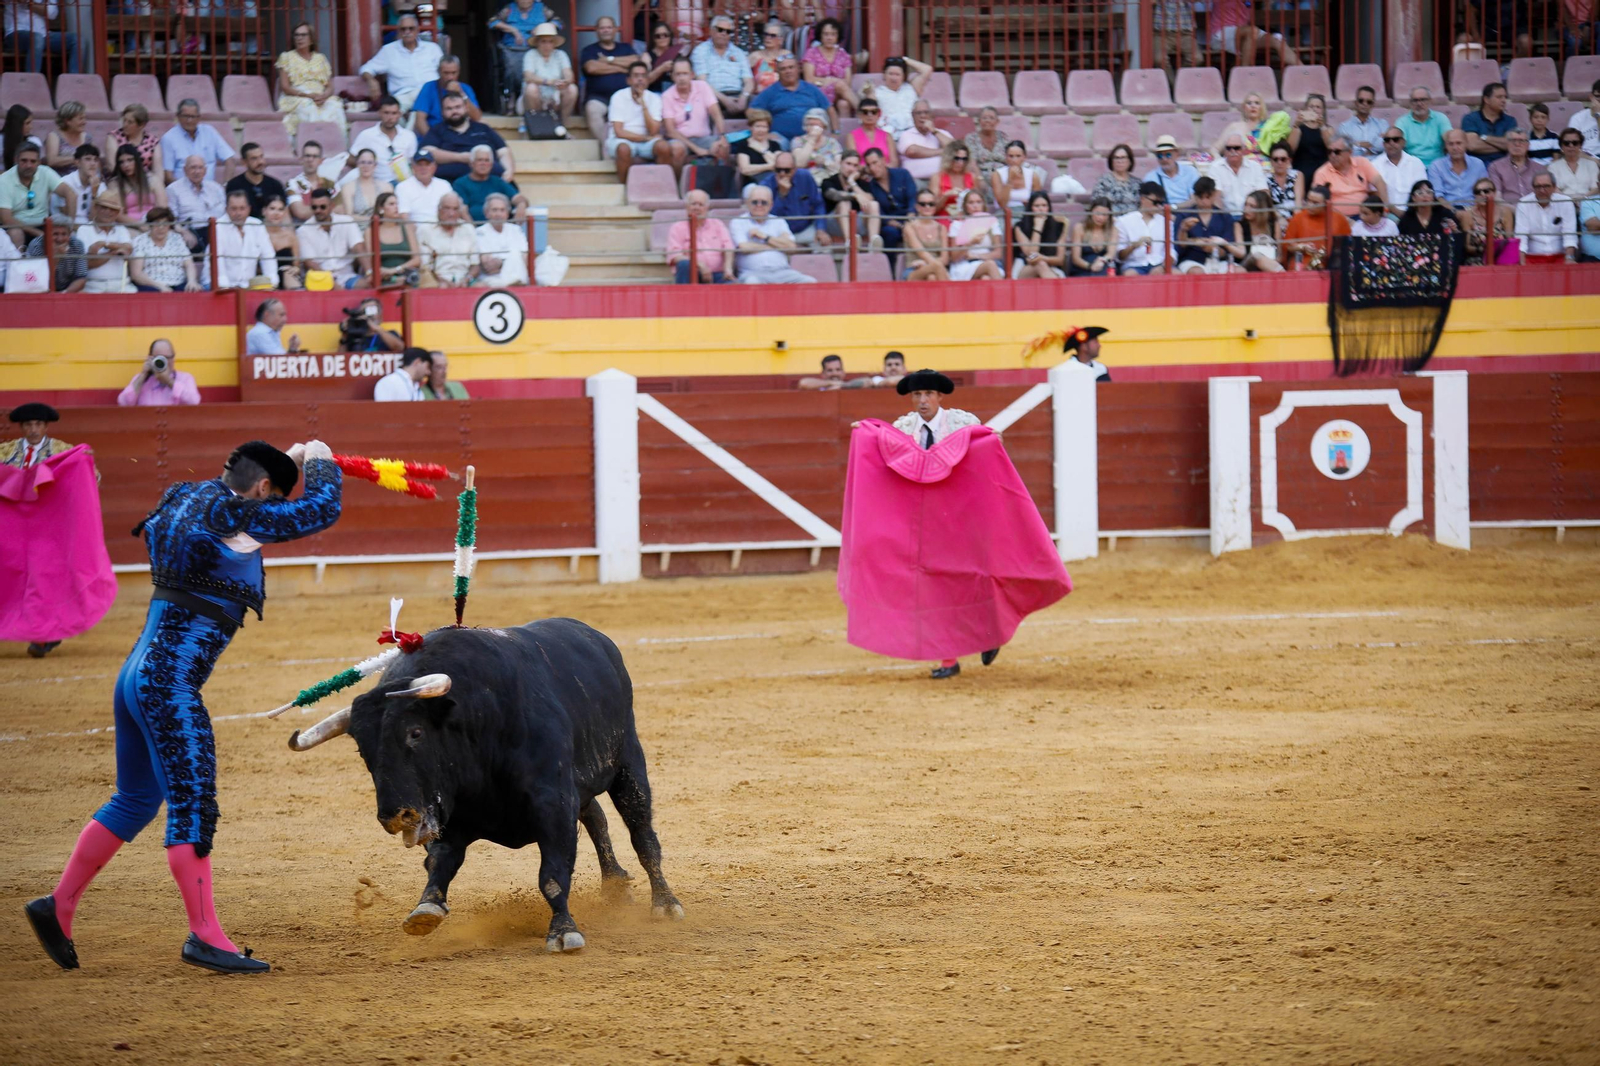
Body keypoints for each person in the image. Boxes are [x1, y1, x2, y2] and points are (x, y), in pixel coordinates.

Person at [23, 438, 341, 975]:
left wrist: (285, 463)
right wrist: (324, 462)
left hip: (134, 678)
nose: (272, 515)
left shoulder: (184, 498)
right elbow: (321, 508)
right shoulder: (235, 515)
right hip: (169, 686)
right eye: (271, 499)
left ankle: (59, 905)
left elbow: (244, 514)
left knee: (136, 799)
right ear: (262, 489)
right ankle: (204, 936)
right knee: (192, 803)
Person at [2, 402, 104, 660]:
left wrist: (86, 464)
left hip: (46, 532)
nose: (33, 429)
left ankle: (44, 635)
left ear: (46, 426)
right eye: (28, 425)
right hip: (13, 532)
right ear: (22, 427)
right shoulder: (4, 452)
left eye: (38, 424)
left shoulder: (63, 451)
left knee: (41, 581)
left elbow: (89, 480)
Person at [420, 92, 513, 184]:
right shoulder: (437, 130)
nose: (454, 111)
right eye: (449, 109)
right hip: (450, 183)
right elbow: (428, 152)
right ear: (442, 112)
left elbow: (503, 151)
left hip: (489, 181)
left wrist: (508, 171)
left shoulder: (483, 128)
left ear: (466, 108)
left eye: (458, 107)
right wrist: (461, 157)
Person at [730, 182, 814, 284]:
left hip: (783, 271)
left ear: (771, 205)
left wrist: (765, 237)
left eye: (764, 202)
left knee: (809, 282)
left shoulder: (779, 221)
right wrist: (777, 245)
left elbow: (791, 247)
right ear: (747, 203)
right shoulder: (738, 222)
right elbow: (744, 248)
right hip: (752, 273)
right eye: (755, 202)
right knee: (752, 282)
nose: (759, 205)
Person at [360, 14, 445, 113]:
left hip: (430, 93)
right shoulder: (389, 50)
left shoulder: (432, 48)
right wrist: (371, 80)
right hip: (403, 96)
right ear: (398, 31)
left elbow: (444, 70)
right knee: (393, 113)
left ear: (417, 30)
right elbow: (366, 68)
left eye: (411, 28)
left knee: (426, 108)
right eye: (403, 29)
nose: (407, 32)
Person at [605, 62, 675, 182]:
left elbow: (653, 130)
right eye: (636, 76)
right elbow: (619, 132)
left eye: (643, 76)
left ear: (648, 80)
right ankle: (625, 189)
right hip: (623, 140)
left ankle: (661, 187)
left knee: (664, 147)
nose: (640, 79)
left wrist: (643, 104)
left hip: (646, 142)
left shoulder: (654, 98)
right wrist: (645, 138)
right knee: (623, 149)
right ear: (628, 80)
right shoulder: (618, 96)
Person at [277, 22, 346, 139]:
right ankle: (313, 145)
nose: (299, 38)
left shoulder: (321, 58)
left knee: (335, 106)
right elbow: (285, 87)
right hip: (297, 96)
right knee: (309, 107)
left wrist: (324, 96)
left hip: (320, 96)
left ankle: (336, 146)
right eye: (296, 35)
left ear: (311, 39)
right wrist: (306, 95)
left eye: (303, 35)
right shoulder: (286, 57)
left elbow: (330, 86)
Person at [661, 57, 726, 168]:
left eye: (685, 74)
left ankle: (719, 184)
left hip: (703, 138)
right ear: (672, 77)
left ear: (692, 75)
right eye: (678, 74)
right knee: (677, 149)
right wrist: (696, 149)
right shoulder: (667, 96)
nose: (681, 78)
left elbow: (716, 114)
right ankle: (678, 184)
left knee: (723, 146)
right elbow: (670, 131)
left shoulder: (703, 86)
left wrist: (722, 137)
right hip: (680, 139)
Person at [581, 16, 639, 142]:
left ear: (615, 30)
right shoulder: (589, 50)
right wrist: (621, 68)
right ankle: (607, 146)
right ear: (596, 31)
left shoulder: (625, 48)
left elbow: (635, 62)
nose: (606, 30)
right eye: (602, 28)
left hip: (626, 97)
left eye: (609, 27)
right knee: (592, 109)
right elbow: (592, 68)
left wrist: (609, 60)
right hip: (599, 98)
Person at [490, 0, 556, 110]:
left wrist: (542, 28)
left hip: (535, 48)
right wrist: (512, 30)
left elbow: (558, 22)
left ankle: (534, 97)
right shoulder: (509, 9)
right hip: (512, 48)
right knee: (511, 66)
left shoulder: (541, 8)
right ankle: (512, 95)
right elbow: (492, 22)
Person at [751, 55, 831, 143]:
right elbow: (751, 111)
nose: (788, 71)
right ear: (778, 72)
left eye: (791, 67)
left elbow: (830, 109)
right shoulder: (770, 91)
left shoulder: (812, 89)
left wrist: (835, 132)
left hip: (809, 137)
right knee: (775, 145)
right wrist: (764, 132)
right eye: (783, 69)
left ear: (798, 69)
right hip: (779, 138)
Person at [1, 142, 73, 240]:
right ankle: (21, 255)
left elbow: (70, 193)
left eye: (33, 161)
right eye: (24, 161)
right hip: (17, 227)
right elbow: (6, 219)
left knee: (60, 233)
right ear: (16, 160)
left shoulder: (45, 172)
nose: (28, 165)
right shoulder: (4, 180)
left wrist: (70, 226)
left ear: (39, 162)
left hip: (43, 224)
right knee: (15, 233)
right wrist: (38, 233)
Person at [1173, 176, 1243, 274]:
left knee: (1240, 271)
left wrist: (1213, 249)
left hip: (1220, 260)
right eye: (1201, 197)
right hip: (1192, 260)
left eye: (1208, 197)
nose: (1204, 201)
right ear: (1195, 196)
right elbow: (1179, 247)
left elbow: (1228, 248)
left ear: (1214, 195)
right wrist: (1183, 230)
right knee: (1197, 272)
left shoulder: (1225, 217)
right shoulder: (1183, 216)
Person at [297, 187, 365, 288]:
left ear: (332, 206)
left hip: (347, 276)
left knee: (365, 285)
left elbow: (359, 248)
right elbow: (310, 263)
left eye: (322, 207)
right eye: (314, 207)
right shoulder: (303, 230)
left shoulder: (346, 221)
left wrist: (369, 272)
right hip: (320, 279)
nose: (318, 210)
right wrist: (332, 284)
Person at [159, 100, 236, 185]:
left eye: (193, 117)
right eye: (185, 116)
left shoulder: (209, 132)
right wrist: (183, 191)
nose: (189, 120)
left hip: (209, 191)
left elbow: (229, 160)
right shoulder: (168, 138)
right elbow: (168, 176)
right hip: (182, 193)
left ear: (199, 117)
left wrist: (226, 186)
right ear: (178, 116)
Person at [666, 188, 735, 283]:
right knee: (684, 264)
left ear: (707, 208)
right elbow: (675, 255)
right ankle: (683, 297)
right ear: (687, 206)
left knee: (733, 285)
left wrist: (728, 269)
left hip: (716, 275)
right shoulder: (677, 227)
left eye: (701, 204)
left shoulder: (717, 224)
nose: (696, 208)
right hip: (692, 273)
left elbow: (728, 247)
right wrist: (699, 264)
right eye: (693, 204)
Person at [214, 190, 279, 290]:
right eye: (234, 209)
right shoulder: (218, 226)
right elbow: (218, 260)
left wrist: (271, 283)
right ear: (226, 210)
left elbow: (267, 256)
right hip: (221, 287)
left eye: (242, 208)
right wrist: (225, 287)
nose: (238, 213)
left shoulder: (257, 225)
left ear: (249, 209)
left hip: (248, 287)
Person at [691, 15, 752, 118]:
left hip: (738, 95)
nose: (724, 34)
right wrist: (724, 100)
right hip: (713, 95)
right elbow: (702, 82)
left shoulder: (739, 53)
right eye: (720, 30)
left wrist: (743, 97)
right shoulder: (700, 51)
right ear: (711, 31)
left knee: (758, 104)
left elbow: (749, 81)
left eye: (728, 31)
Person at [348, 96, 418, 185]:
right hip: (376, 182)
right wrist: (367, 166)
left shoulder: (409, 136)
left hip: (403, 183)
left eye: (394, 113)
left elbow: (413, 163)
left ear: (399, 114)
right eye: (386, 113)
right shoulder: (367, 135)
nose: (390, 117)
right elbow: (351, 158)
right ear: (379, 113)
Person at [820, 150, 883, 249]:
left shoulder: (860, 182)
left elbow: (870, 199)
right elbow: (833, 195)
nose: (851, 168)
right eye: (848, 164)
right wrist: (855, 196)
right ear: (840, 163)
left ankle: (873, 244)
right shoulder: (829, 181)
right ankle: (849, 242)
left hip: (857, 223)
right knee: (844, 203)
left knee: (874, 205)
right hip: (834, 224)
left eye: (855, 165)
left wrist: (852, 183)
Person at [1208, 0, 1299, 68]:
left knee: (1277, 40)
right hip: (1220, 34)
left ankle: (1304, 71)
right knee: (1252, 31)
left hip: (1244, 35)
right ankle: (1245, 73)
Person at [74, 189, 133, 293]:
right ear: (96, 208)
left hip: (121, 284)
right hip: (92, 285)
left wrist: (104, 244)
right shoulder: (84, 229)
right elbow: (87, 263)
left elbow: (128, 249)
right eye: (104, 208)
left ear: (118, 213)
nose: (108, 212)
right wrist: (113, 252)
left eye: (113, 209)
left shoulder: (121, 229)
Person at [760, 150, 824, 245]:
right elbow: (768, 217)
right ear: (774, 169)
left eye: (787, 170)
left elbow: (818, 204)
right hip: (777, 234)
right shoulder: (766, 185)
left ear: (794, 169)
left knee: (822, 244)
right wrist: (782, 194)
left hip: (805, 229)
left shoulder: (805, 177)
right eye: (778, 170)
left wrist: (821, 228)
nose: (782, 174)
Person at [859, 55, 933, 138]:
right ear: (884, 75)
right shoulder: (876, 92)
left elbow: (927, 69)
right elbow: (869, 114)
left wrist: (904, 60)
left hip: (913, 132)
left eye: (897, 74)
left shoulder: (912, 88)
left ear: (903, 76)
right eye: (890, 74)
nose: (894, 78)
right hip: (888, 134)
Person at [130, 207, 200, 292]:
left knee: (194, 291)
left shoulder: (177, 239)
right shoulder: (140, 241)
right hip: (151, 285)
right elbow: (136, 274)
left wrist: (191, 281)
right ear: (150, 225)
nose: (161, 228)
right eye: (156, 223)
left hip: (178, 283)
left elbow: (189, 264)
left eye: (165, 224)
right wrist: (160, 286)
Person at [1313, 136, 1388, 217]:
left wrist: (1385, 209)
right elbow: (1317, 201)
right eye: (1329, 151)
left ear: (1349, 152)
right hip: (1336, 218)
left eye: (1337, 152)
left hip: (1365, 216)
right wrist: (1346, 220)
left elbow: (1380, 182)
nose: (1332, 155)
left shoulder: (1362, 162)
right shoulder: (1322, 172)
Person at [166, 154, 226, 253]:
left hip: (217, 231)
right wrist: (183, 232)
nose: (197, 171)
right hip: (191, 232)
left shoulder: (216, 188)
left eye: (200, 168)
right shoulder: (173, 189)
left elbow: (225, 213)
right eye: (193, 167)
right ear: (185, 170)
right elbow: (171, 219)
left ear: (205, 170)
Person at [1281, 184, 1350, 269]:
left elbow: (1347, 246)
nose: (1310, 205)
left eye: (1315, 203)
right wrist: (1302, 247)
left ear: (1326, 204)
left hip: (1333, 263)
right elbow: (1287, 246)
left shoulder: (1339, 219)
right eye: (1308, 200)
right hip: (1304, 262)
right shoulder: (1298, 217)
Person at [859, 146, 916, 249]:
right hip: (890, 223)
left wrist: (909, 222)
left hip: (910, 219)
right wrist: (902, 227)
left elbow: (912, 199)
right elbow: (882, 215)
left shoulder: (902, 174)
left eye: (875, 162)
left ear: (884, 160)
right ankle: (889, 265)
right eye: (868, 165)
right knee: (889, 233)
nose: (872, 168)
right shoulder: (870, 185)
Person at [1513, 173, 1578, 264]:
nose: (1542, 190)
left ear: (1554, 187)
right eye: (1538, 186)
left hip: (1561, 257)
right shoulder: (1523, 203)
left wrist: (1569, 258)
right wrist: (1522, 263)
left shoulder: (1566, 202)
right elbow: (1521, 237)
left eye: (1546, 186)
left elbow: (1570, 235)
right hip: (1532, 258)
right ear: (1533, 188)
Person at [453, 144, 526, 224]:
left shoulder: (498, 182)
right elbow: (463, 212)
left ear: (491, 165)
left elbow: (517, 197)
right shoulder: (460, 183)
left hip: (498, 228)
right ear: (471, 163)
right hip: (473, 229)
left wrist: (521, 205)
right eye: (479, 160)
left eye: (486, 160)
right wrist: (473, 231)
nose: (483, 163)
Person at [413, 55, 482, 139]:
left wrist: (461, 93)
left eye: (454, 73)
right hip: (435, 135)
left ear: (459, 71)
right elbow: (420, 121)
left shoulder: (465, 89)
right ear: (439, 72)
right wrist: (432, 140)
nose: (450, 77)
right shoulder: (429, 87)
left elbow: (477, 117)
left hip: (461, 136)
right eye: (446, 73)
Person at [522, 23, 578, 126]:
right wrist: (548, 82)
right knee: (531, 88)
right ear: (537, 43)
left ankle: (563, 125)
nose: (547, 45)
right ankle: (538, 125)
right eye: (543, 41)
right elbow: (528, 76)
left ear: (554, 44)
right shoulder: (530, 55)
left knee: (572, 89)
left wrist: (565, 82)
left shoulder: (561, 54)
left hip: (556, 96)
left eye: (550, 42)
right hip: (536, 97)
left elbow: (569, 75)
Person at [418, 192, 479, 286]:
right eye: (447, 208)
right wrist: (442, 281)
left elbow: (475, 264)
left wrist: (467, 279)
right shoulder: (425, 230)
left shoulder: (468, 229)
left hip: (465, 279)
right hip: (436, 280)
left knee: (483, 288)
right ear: (439, 209)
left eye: (455, 209)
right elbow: (425, 266)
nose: (451, 214)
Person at [117, 339, 201, 406]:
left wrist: (169, 381)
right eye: (159, 358)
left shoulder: (185, 378)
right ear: (150, 358)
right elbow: (123, 403)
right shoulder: (141, 380)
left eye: (167, 358)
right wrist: (143, 376)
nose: (163, 362)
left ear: (173, 358)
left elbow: (194, 402)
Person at [802, 18, 857, 120]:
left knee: (843, 104)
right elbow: (809, 79)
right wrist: (828, 81)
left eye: (833, 34)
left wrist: (834, 82)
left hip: (839, 93)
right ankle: (863, 110)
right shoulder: (812, 53)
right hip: (818, 90)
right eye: (826, 34)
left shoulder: (843, 54)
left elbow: (847, 82)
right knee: (840, 85)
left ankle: (842, 134)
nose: (829, 38)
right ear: (820, 36)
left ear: (837, 36)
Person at [3, 0, 77, 73]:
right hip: (15, 33)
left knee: (76, 40)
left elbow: (51, 13)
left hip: (43, 34)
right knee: (36, 38)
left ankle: (74, 82)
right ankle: (32, 82)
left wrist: (29, 4)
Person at [1209, 91, 1289, 159]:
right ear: (1244, 107)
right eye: (1249, 103)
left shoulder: (1269, 127)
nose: (1253, 106)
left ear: (1262, 107)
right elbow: (1214, 149)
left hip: (1266, 170)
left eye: (1257, 103)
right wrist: (1220, 162)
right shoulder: (1235, 126)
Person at [946, 188, 1004, 281]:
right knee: (990, 265)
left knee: (986, 278)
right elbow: (954, 257)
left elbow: (998, 253)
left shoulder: (992, 222)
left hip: (985, 260)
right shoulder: (957, 225)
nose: (975, 206)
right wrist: (970, 243)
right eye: (971, 203)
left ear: (983, 204)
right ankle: (1006, 294)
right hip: (965, 265)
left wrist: (976, 256)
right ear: (965, 206)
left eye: (978, 202)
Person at [474, 193, 529, 287]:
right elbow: (488, 266)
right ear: (487, 213)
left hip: (519, 278)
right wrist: (512, 261)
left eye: (502, 210)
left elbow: (525, 260)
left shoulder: (516, 230)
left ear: (507, 214)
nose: (498, 214)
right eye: (494, 210)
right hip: (493, 279)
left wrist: (500, 262)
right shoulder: (479, 232)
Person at [1115, 182, 1170, 275]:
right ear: (1143, 199)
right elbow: (1119, 256)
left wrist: (1163, 266)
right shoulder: (1124, 221)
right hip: (1134, 265)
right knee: (1130, 275)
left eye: (1161, 203)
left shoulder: (1166, 221)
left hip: (1160, 264)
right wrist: (1133, 246)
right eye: (1155, 202)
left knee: (1178, 274)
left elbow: (1171, 251)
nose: (1159, 207)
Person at [1207, 134, 1270, 215]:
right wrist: (1223, 219)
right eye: (1229, 148)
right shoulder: (1216, 167)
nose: (1233, 151)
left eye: (1237, 148)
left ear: (1244, 149)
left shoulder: (1255, 167)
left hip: (1252, 216)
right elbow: (1216, 197)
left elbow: (1263, 193)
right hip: (1227, 216)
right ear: (1225, 150)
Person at [1457, 177, 1515, 264]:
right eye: (1478, 192)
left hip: (1501, 257)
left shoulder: (1505, 212)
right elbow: (1467, 246)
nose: (1482, 194)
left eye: (1486, 191)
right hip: (1477, 258)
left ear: (1494, 193)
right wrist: (1483, 249)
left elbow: (1510, 240)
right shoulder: (1467, 215)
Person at [24, 213, 87, 292]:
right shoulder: (37, 245)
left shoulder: (76, 245)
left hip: (68, 291)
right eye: (55, 234)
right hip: (42, 290)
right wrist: (55, 259)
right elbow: (35, 280)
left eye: (64, 234)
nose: (60, 239)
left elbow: (81, 278)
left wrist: (63, 295)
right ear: (47, 234)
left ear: (70, 234)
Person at [1427, 130, 1489, 209]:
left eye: (1459, 143)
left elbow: (1483, 192)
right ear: (1446, 146)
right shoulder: (1436, 166)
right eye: (1451, 144)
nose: (1455, 148)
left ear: (1466, 144)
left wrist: (1472, 211)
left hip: (1474, 210)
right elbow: (1438, 196)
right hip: (1447, 210)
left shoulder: (1478, 164)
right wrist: (1454, 212)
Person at [1012, 189, 1066, 279]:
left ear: (1049, 207)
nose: (1041, 209)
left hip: (1051, 267)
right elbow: (1032, 255)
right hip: (1025, 268)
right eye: (1037, 206)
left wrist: (1043, 258)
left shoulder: (1059, 226)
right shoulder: (1019, 227)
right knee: (1040, 265)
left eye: (1044, 205)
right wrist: (1037, 228)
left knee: (1041, 264)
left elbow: (1060, 260)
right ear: (1030, 208)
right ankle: (1060, 292)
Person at [225, 143, 287, 220]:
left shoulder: (275, 185)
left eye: (261, 156)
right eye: (254, 158)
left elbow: (284, 211)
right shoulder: (234, 185)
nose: (260, 162)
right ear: (244, 162)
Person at [370, 190, 420, 286]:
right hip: (383, 279)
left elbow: (417, 260)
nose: (396, 207)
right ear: (381, 208)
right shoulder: (371, 231)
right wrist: (392, 277)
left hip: (407, 277)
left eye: (397, 204)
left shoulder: (407, 227)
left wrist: (394, 270)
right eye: (391, 204)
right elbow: (370, 262)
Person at [896, 101, 952, 186]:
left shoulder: (941, 133)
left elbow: (955, 149)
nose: (923, 116)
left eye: (926, 112)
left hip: (941, 180)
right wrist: (942, 151)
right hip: (915, 181)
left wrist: (933, 131)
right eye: (918, 113)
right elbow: (912, 151)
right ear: (913, 116)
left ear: (932, 115)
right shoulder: (906, 134)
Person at [1373, 126, 1427, 214]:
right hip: (1387, 214)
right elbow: (1375, 195)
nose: (1391, 143)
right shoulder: (1375, 164)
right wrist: (1397, 213)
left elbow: (1422, 192)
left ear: (1403, 143)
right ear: (1383, 144)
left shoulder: (1416, 163)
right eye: (1387, 140)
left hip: (1414, 213)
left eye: (1396, 139)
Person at [108, 143, 164, 225]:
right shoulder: (114, 184)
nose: (126, 165)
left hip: (155, 224)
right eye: (121, 162)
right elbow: (117, 214)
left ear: (137, 160)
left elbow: (163, 207)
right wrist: (140, 225)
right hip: (129, 226)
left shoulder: (152, 179)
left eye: (130, 160)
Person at [1396, 88, 1453, 167]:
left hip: (1438, 166)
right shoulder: (1402, 122)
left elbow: (1449, 138)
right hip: (1412, 166)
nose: (1419, 104)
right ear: (1410, 103)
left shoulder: (1440, 118)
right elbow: (1397, 144)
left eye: (1423, 100)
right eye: (1415, 100)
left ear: (1430, 101)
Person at [902, 187, 950, 280]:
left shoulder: (941, 228)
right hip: (913, 270)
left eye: (931, 204)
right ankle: (949, 293)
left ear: (935, 206)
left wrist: (927, 264)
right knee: (935, 269)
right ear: (917, 206)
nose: (927, 207)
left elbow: (945, 259)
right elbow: (922, 253)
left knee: (931, 277)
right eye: (923, 204)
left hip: (934, 269)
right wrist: (935, 265)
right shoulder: (909, 227)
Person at [107, 103, 163, 181]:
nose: (125, 125)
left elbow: (158, 170)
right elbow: (112, 165)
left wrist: (157, 184)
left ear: (141, 125)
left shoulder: (153, 141)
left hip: (145, 182)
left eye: (130, 122)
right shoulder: (114, 137)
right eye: (124, 120)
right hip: (120, 181)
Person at [1488, 129, 1546, 205]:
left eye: (1521, 141)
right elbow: (1497, 197)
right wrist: (1517, 211)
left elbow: (1547, 195)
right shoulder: (1496, 167)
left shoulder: (1539, 169)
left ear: (1528, 145)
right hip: (1508, 212)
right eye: (1513, 141)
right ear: (1507, 144)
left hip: (1535, 211)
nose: (1517, 144)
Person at [1462, 82, 1514, 164]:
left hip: (1503, 165)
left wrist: (1485, 138)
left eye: (1505, 97)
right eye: (1499, 97)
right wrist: (1502, 145)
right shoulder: (1470, 119)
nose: (1504, 100)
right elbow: (1472, 146)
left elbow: (1511, 145)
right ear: (1486, 99)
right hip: (1477, 164)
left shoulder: (1510, 120)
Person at [990, 138, 1044, 216]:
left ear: (1024, 157)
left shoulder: (1033, 175)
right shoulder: (997, 174)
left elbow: (1037, 202)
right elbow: (1001, 203)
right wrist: (1010, 180)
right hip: (1004, 212)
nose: (1014, 160)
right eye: (1011, 156)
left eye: (1018, 156)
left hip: (1026, 213)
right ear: (1006, 157)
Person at [396, 149, 451, 223]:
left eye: (427, 164)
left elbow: (451, 212)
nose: (423, 168)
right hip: (415, 229)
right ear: (413, 167)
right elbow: (404, 216)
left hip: (442, 228)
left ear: (434, 167)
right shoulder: (402, 187)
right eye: (420, 165)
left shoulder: (444, 185)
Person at [1287, 93, 1330, 189]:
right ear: (1306, 109)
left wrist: (1322, 126)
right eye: (1311, 106)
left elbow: (1331, 147)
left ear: (1323, 111)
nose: (1314, 109)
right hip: (1301, 171)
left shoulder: (1328, 129)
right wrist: (1296, 126)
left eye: (1318, 107)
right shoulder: (1299, 128)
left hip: (1322, 171)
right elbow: (1290, 150)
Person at [1145, 135, 1199, 209]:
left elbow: (1195, 199)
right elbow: (1150, 205)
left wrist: (1173, 207)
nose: (1164, 159)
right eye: (1160, 156)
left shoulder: (1190, 172)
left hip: (1188, 213)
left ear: (1177, 154)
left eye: (1168, 155)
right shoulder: (1151, 177)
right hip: (1163, 216)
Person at [964, 107, 1006, 202]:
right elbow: (972, 162)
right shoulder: (971, 138)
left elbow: (1009, 158)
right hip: (982, 174)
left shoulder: (1003, 137)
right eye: (984, 118)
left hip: (1001, 175)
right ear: (979, 121)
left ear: (997, 121)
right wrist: (980, 179)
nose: (987, 121)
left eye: (991, 118)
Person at [285, 141, 335, 222]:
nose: (310, 160)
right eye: (307, 156)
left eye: (315, 156)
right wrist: (328, 208)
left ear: (321, 161)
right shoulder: (292, 184)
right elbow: (301, 212)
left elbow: (342, 210)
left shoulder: (331, 183)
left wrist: (311, 209)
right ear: (301, 159)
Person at [338, 148, 393, 219]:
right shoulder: (348, 187)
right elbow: (349, 215)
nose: (366, 166)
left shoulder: (386, 187)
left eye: (370, 163)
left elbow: (391, 213)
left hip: (382, 227)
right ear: (357, 164)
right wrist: (371, 220)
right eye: (362, 162)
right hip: (358, 227)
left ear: (375, 165)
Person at [792, 107, 841, 186]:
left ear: (824, 126)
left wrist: (825, 162)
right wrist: (812, 139)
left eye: (816, 125)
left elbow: (838, 169)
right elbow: (799, 163)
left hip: (828, 181)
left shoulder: (832, 143)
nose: (812, 128)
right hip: (805, 181)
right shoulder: (798, 141)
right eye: (809, 125)